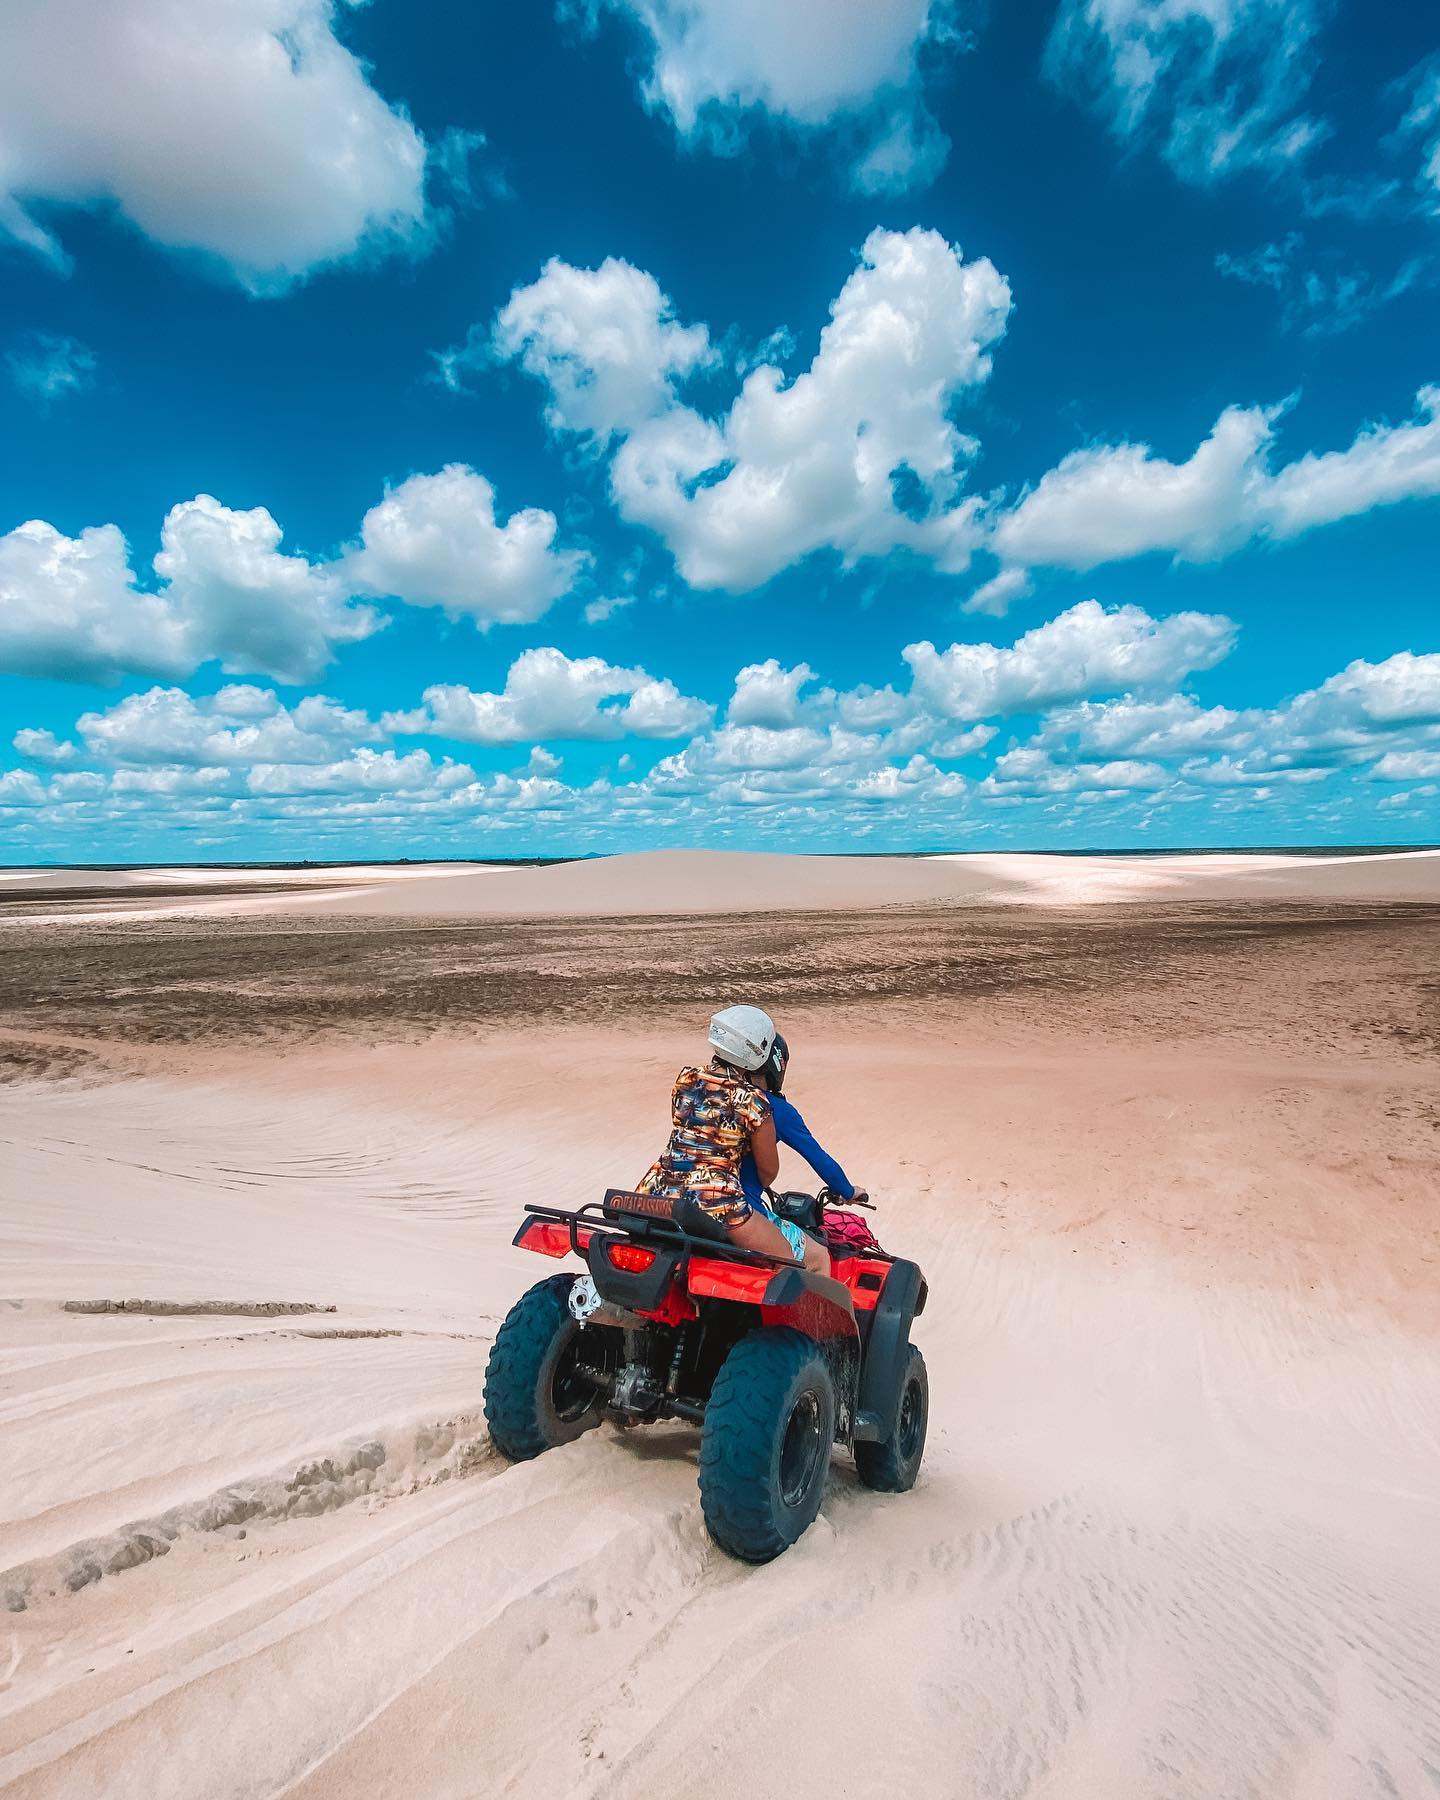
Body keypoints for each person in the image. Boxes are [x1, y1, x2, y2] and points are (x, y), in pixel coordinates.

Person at [636, 1004, 826, 1271]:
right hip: (716, 1200)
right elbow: (768, 1171)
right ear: (757, 1053)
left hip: (656, 1190)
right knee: (789, 1263)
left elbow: (691, 1134)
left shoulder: (685, 1078)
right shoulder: (756, 1103)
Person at [738, 1033, 869, 1219]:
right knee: (815, 1249)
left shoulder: (716, 1094)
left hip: (687, 1202)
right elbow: (817, 1156)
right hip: (739, 1209)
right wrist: (847, 1191)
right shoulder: (776, 1109)